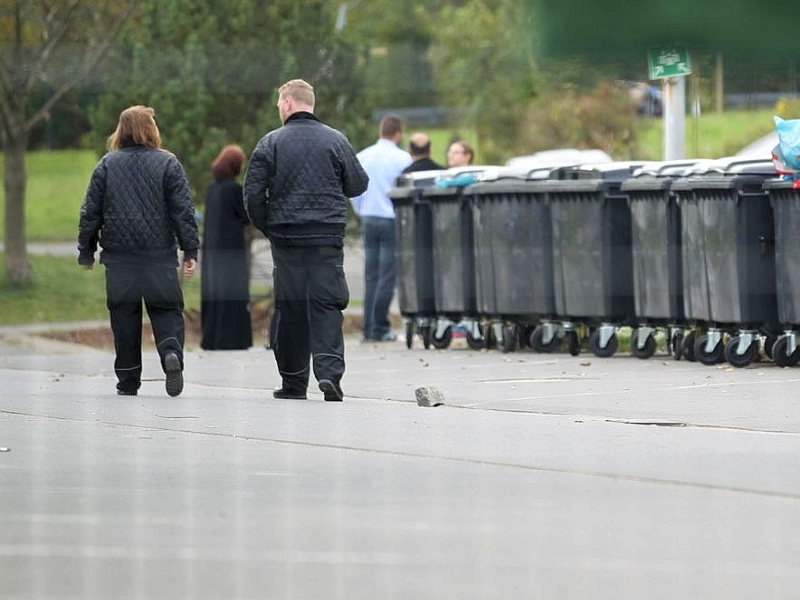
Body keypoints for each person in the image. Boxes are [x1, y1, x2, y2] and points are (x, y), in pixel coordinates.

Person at [244, 79, 368, 402]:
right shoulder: (335, 141)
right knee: (327, 305)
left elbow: (252, 196)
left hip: (287, 239)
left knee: (291, 308)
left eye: (278, 106)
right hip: (326, 237)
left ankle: (294, 382)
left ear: (287, 103)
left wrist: (269, 227)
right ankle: (329, 376)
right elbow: (358, 183)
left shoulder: (270, 143)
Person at [77, 105, 199, 397]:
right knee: (167, 309)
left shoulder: (107, 165)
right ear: (150, 129)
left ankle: (128, 379)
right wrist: (190, 250)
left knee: (124, 316)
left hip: (120, 258)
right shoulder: (168, 164)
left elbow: (90, 212)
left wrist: (86, 250)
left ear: (121, 130)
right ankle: (171, 353)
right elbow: (183, 211)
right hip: (159, 256)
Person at [351, 116, 412, 342]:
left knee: (372, 275)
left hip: (368, 217)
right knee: (387, 276)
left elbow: (354, 190)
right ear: (398, 133)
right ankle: (379, 326)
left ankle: (368, 326)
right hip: (390, 218)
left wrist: (361, 210)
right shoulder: (402, 158)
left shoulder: (363, 156)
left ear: (381, 131)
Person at [200, 144, 252, 350]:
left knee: (215, 296)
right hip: (231, 251)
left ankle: (212, 338)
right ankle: (233, 339)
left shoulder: (212, 188)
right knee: (233, 296)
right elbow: (247, 216)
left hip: (212, 252)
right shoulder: (234, 190)